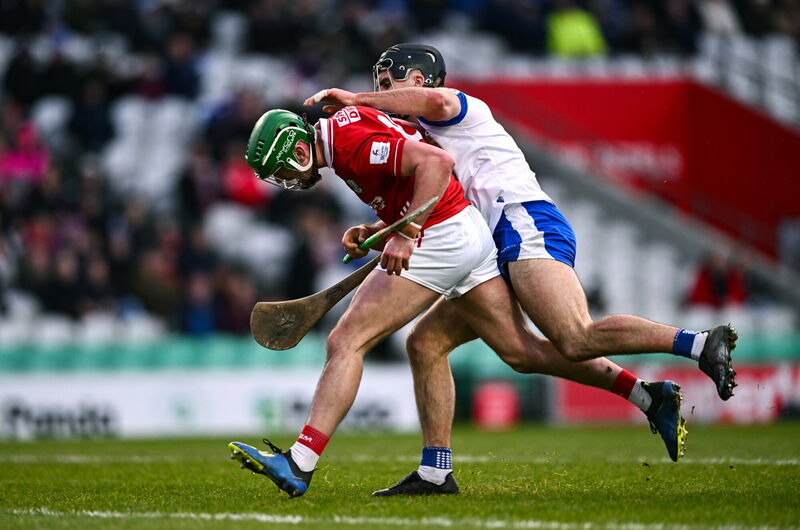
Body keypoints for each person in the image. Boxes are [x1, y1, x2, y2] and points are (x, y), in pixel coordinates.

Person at [303, 43, 737, 495]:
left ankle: (701, 345)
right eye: (376, 85)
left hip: (521, 219)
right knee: (439, 345)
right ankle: (437, 470)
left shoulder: (450, 104)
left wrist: (356, 100)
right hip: (488, 239)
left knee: (574, 335)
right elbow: (443, 195)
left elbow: (433, 105)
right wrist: (380, 227)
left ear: (418, 80)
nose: (380, 90)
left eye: (389, 83)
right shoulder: (421, 131)